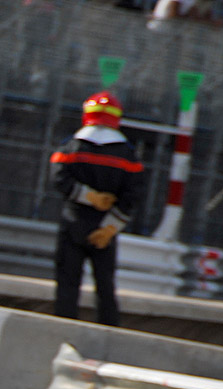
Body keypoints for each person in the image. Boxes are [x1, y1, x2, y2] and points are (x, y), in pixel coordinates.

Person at [49, 91, 145, 326]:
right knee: (105, 287)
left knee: (67, 284)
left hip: (73, 223)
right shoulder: (128, 154)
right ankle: (109, 333)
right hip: (104, 229)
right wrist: (110, 228)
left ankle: (63, 330)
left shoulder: (72, 146)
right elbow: (133, 195)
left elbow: (58, 178)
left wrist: (88, 196)